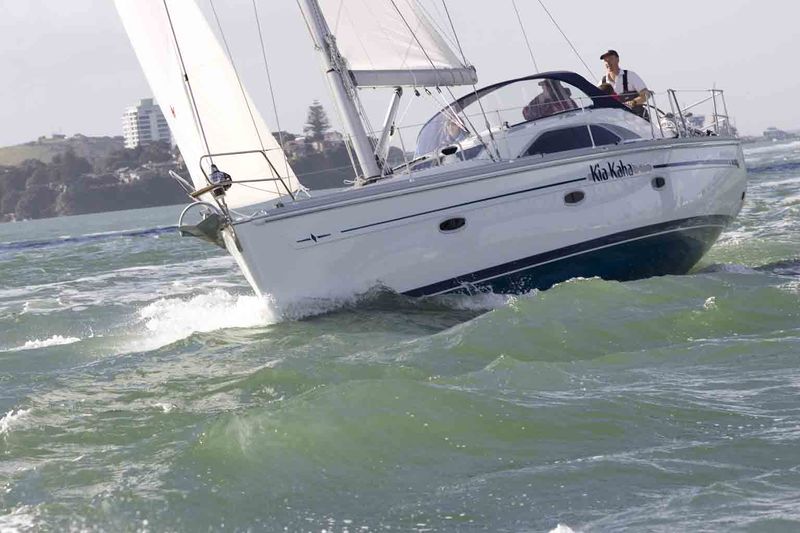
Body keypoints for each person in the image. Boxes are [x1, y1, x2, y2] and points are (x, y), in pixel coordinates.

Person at [599, 49, 649, 119]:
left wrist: (633, 102)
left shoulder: (630, 76)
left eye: (610, 59)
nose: (608, 62)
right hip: (615, 121)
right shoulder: (602, 82)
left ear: (617, 59)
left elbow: (646, 94)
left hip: (637, 118)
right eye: (605, 60)